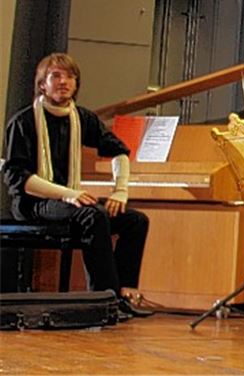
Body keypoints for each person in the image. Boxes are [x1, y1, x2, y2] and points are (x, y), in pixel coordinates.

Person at [2, 53, 152, 320]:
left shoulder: (82, 118)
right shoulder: (23, 122)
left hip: (68, 201)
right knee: (93, 214)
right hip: (34, 204)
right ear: (42, 84)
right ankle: (102, 300)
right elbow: (19, 179)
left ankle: (124, 294)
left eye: (70, 76)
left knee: (135, 221)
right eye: (56, 76)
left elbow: (119, 151)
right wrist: (69, 195)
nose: (64, 82)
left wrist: (121, 190)